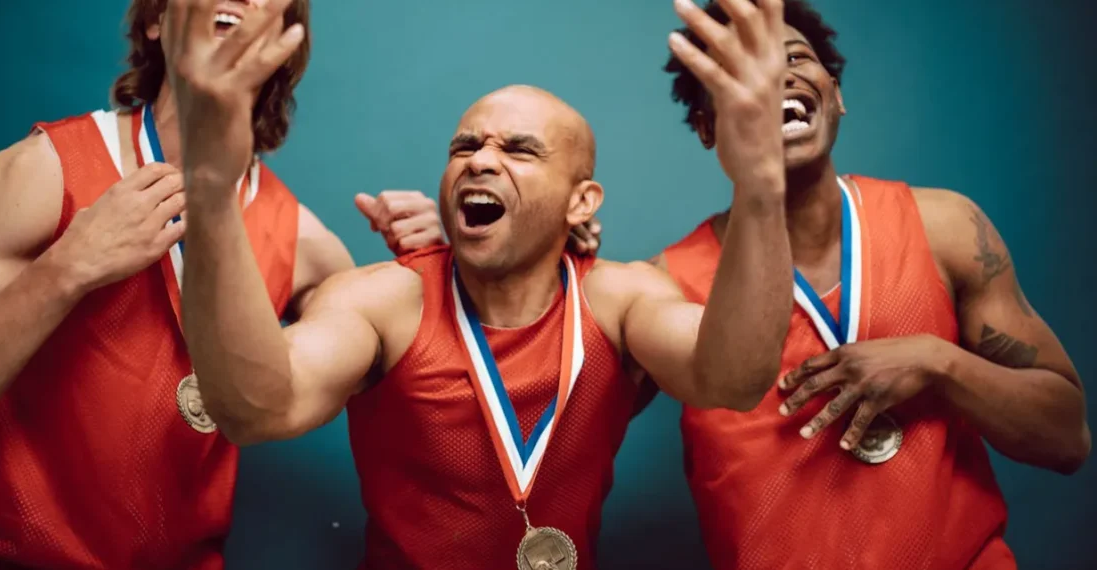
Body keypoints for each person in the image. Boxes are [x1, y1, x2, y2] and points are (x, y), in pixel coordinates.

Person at [162, 0, 794, 567]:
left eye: (520, 150)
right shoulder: (387, 301)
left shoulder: (621, 301)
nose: (480, 160)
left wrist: (760, 183)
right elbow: (258, 409)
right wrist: (213, 189)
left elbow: (732, 380)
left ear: (583, 202)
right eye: (464, 147)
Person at [0, 1, 451, 568]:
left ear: (284, 43)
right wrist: (68, 268)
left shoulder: (305, 245)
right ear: (155, 22)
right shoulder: (41, 174)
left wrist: (432, 267)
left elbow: (410, 403)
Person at [657, 0, 1091, 568]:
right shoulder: (665, 284)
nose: (776, 75)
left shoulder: (946, 228)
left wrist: (941, 363)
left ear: (834, 95)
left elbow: (1067, 438)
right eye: (745, 69)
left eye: (795, 57)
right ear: (707, 127)